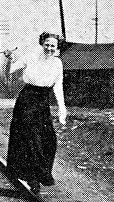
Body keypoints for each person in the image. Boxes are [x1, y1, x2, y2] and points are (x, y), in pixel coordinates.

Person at [4, 32, 67, 193]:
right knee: (32, 139)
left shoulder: (57, 64)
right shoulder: (31, 57)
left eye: (53, 45)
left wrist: (62, 109)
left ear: (57, 47)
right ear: (42, 44)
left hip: (43, 102)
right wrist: (10, 58)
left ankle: (40, 175)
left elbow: (58, 86)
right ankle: (32, 177)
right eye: (47, 44)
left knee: (49, 139)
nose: (49, 48)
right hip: (27, 100)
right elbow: (12, 70)